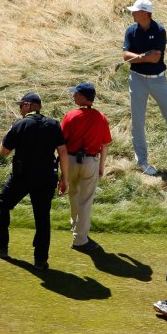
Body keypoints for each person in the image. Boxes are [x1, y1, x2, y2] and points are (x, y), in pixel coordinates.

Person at [0, 92, 69, 270]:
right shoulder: (53, 124)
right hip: (47, 176)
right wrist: (65, 178)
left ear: (28, 105)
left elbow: (3, 151)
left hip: (23, 176)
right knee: (42, 217)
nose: (20, 109)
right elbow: (62, 152)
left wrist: (12, 130)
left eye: (21, 106)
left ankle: (1, 246)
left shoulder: (20, 124)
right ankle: (40, 260)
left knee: (3, 203)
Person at [123, 0, 167, 176]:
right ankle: (142, 160)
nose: (132, 13)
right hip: (137, 79)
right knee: (138, 121)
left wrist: (138, 57)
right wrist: (144, 56)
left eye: (135, 11)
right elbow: (125, 55)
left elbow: (156, 57)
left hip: (158, 80)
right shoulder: (131, 31)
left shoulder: (159, 30)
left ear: (145, 13)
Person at [61, 83, 112, 253]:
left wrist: (62, 168)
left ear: (83, 97)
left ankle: (76, 228)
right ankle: (80, 238)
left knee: (73, 195)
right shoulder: (101, 117)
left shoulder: (70, 116)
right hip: (91, 161)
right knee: (85, 200)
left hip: (70, 160)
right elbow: (105, 145)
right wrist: (101, 166)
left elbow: (61, 144)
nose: (73, 96)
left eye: (76, 94)